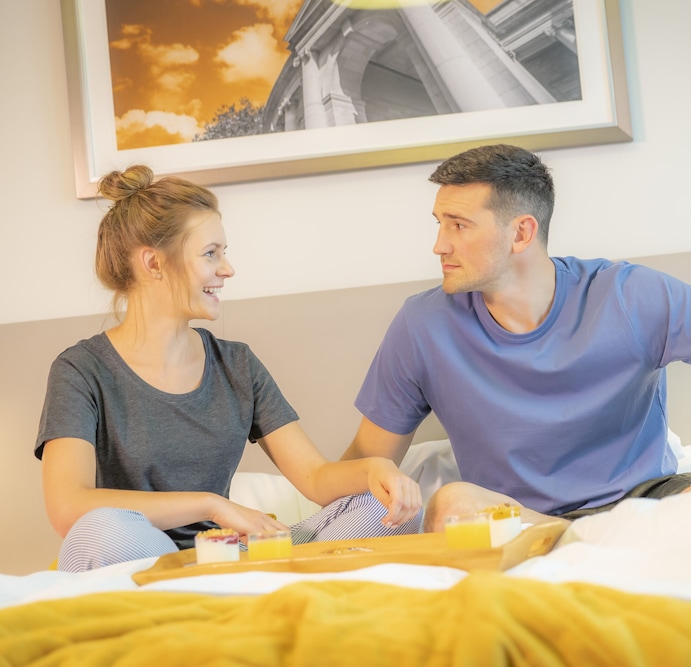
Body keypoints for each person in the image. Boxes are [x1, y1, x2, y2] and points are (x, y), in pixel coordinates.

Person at [339, 144, 691, 532]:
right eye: (439, 224)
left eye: (458, 225)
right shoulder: (422, 324)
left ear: (521, 233)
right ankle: (589, 541)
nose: (439, 245)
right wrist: (311, 505)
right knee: (451, 505)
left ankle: (597, 540)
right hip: (519, 519)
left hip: (648, 503)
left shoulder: (628, 295)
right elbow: (365, 462)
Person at [35, 165, 422, 572]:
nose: (227, 269)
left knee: (385, 508)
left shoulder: (237, 364)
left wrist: (377, 469)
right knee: (99, 529)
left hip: (233, 556)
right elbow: (68, 506)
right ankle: (225, 589)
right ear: (153, 263)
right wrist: (213, 505)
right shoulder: (81, 370)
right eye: (210, 253)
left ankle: (239, 588)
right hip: (142, 554)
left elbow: (315, 477)